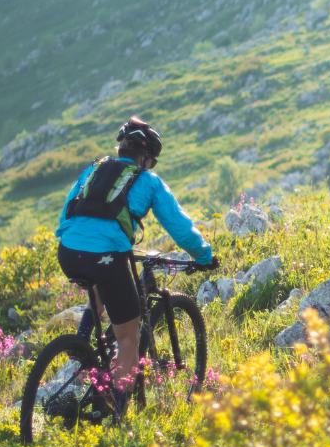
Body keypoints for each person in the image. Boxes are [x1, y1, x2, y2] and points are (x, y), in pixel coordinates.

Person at [55, 117, 214, 402]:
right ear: (146, 159)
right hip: (106, 254)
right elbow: (178, 226)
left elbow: (68, 209)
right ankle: (115, 408)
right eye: (151, 162)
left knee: (100, 279)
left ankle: (82, 340)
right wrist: (204, 256)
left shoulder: (94, 169)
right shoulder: (148, 181)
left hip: (67, 251)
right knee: (128, 335)